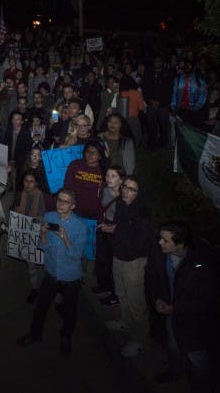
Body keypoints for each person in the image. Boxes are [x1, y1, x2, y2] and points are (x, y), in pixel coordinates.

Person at [146, 220, 218, 392]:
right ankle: (175, 371)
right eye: (160, 238)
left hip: (194, 322)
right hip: (171, 315)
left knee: (197, 357)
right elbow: (153, 278)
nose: (159, 242)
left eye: (165, 240)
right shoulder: (160, 254)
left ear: (180, 244)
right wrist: (157, 299)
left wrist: (177, 308)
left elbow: (206, 298)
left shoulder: (200, 265)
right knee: (173, 346)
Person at [17, 188, 89, 356]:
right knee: (41, 307)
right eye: (59, 200)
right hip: (51, 272)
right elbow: (43, 247)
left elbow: (76, 256)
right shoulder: (49, 217)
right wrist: (42, 235)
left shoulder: (80, 226)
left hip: (70, 277)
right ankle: (34, 334)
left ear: (73, 206)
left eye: (65, 202)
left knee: (70, 312)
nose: (61, 204)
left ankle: (66, 337)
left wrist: (65, 239)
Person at [105, 175, 155, 358]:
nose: (126, 191)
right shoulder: (120, 204)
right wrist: (114, 231)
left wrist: (117, 231)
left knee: (136, 304)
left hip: (134, 262)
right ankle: (126, 323)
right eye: (125, 187)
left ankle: (142, 341)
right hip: (118, 257)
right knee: (121, 295)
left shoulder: (143, 214)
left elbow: (140, 243)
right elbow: (121, 228)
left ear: (139, 193)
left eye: (132, 189)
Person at [14, 169, 50, 303]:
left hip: (41, 236)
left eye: (31, 181)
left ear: (37, 183)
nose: (28, 184)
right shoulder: (19, 195)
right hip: (26, 237)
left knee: (46, 267)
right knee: (31, 267)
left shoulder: (43, 197)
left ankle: (49, 291)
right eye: (25, 181)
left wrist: (34, 221)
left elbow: (47, 217)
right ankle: (35, 289)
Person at [94, 165, 123, 306]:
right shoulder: (103, 191)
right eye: (107, 176)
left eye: (113, 176)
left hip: (117, 232)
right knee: (101, 260)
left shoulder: (125, 197)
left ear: (121, 180)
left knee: (113, 264)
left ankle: (114, 294)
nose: (109, 179)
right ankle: (104, 286)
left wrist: (114, 228)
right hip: (103, 228)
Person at [61, 141, 106, 220]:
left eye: (94, 153)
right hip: (74, 210)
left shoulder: (104, 170)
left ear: (100, 156)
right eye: (88, 151)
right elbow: (67, 186)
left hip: (94, 213)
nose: (90, 155)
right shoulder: (75, 165)